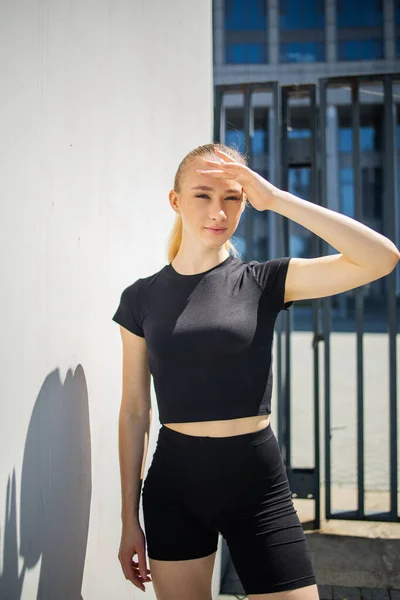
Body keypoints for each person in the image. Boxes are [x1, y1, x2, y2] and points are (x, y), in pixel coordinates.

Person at [112, 142, 400, 599]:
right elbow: (134, 412)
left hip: (257, 485)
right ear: (175, 201)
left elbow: (380, 258)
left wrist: (277, 199)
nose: (218, 211)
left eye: (233, 197)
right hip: (174, 488)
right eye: (203, 195)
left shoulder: (263, 281)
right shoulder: (140, 298)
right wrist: (129, 518)